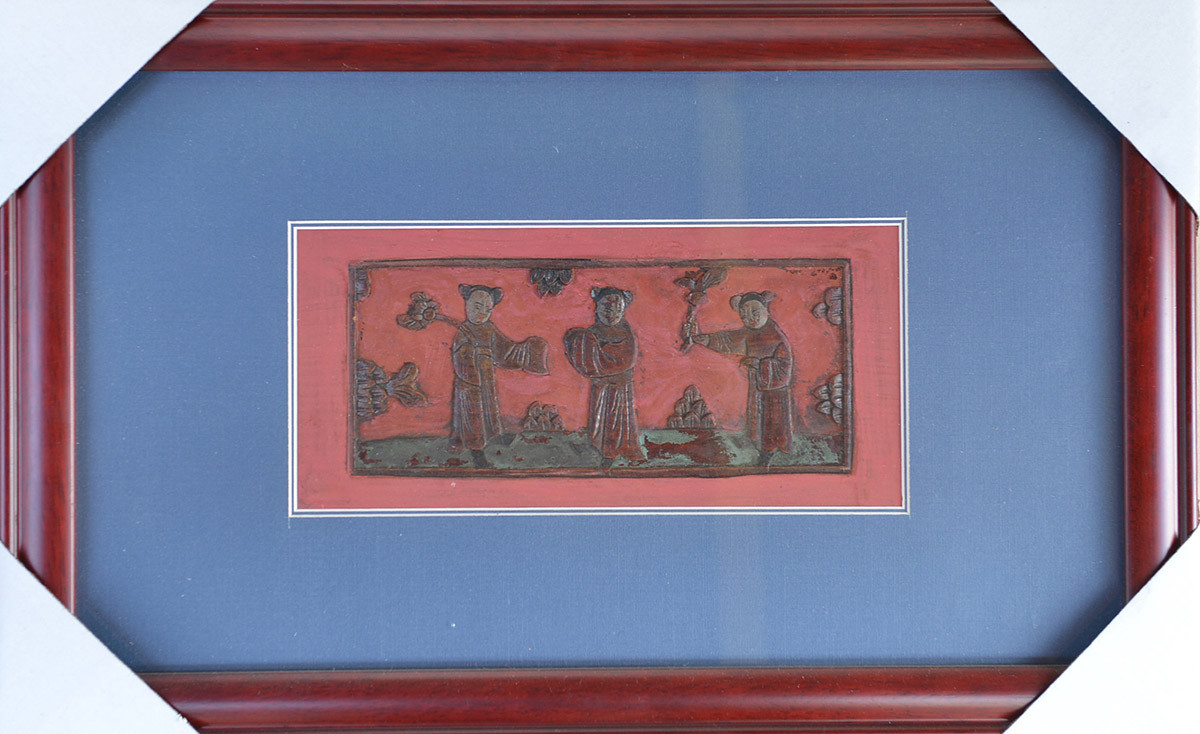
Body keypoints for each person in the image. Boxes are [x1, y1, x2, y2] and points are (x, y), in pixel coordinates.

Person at [688, 291, 794, 463]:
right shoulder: (749, 333)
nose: (750, 318)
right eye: (744, 315)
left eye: (755, 312)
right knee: (759, 421)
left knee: (773, 421)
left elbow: (784, 366)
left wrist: (759, 364)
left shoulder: (776, 335)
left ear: (766, 310)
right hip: (758, 387)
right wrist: (706, 340)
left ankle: (772, 451)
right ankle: (763, 449)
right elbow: (729, 340)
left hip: (775, 392)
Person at [449, 284, 548, 466]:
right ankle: (476, 451)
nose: (481, 313)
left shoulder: (489, 329)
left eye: (487, 309)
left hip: (486, 380)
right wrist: (473, 354)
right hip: (470, 383)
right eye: (477, 306)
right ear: (466, 305)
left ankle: (492, 437)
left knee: (489, 410)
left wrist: (527, 350)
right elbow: (459, 358)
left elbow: (506, 350)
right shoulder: (463, 332)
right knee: (472, 416)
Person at [564, 286, 643, 466]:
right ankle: (600, 449)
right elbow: (587, 359)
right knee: (599, 418)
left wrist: (602, 356)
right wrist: (579, 340)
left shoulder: (625, 332)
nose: (612, 314)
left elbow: (626, 359)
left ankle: (616, 452)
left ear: (623, 311)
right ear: (597, 308)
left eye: (617, 309)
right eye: (607, 308)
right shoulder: (593, 332)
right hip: (601, 385)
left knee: (619, 419)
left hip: (621, 386)